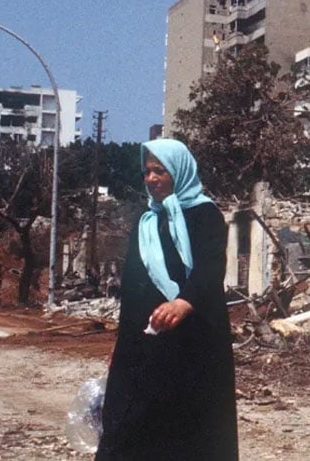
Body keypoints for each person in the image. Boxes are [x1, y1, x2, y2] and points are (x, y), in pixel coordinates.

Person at [96, 139, 238, 460]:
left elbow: (210, 267)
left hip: (192, 340)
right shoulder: (146, 222)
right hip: (146, 340)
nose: (151, 178)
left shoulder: (205, 215)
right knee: (129, 422)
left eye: (160, 171)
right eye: (147, 172)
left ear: (179, 171)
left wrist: (183, 303)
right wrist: (122, 344)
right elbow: (132, 288)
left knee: (189, 428)